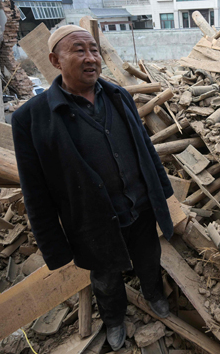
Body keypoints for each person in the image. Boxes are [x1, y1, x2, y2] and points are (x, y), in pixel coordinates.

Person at [11, 25, 174, 351]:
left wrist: (162, 193)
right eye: (79, 50)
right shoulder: (31, 119)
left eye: (94, 49)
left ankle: (154, 294)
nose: (90, 58)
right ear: (55, 60)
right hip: (92, 221)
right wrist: (55, 248)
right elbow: (35, 192)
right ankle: (114, 318)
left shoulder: (118, 96)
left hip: (139, 207)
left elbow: (144, 147)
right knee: (105, 276)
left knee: (148, 258)